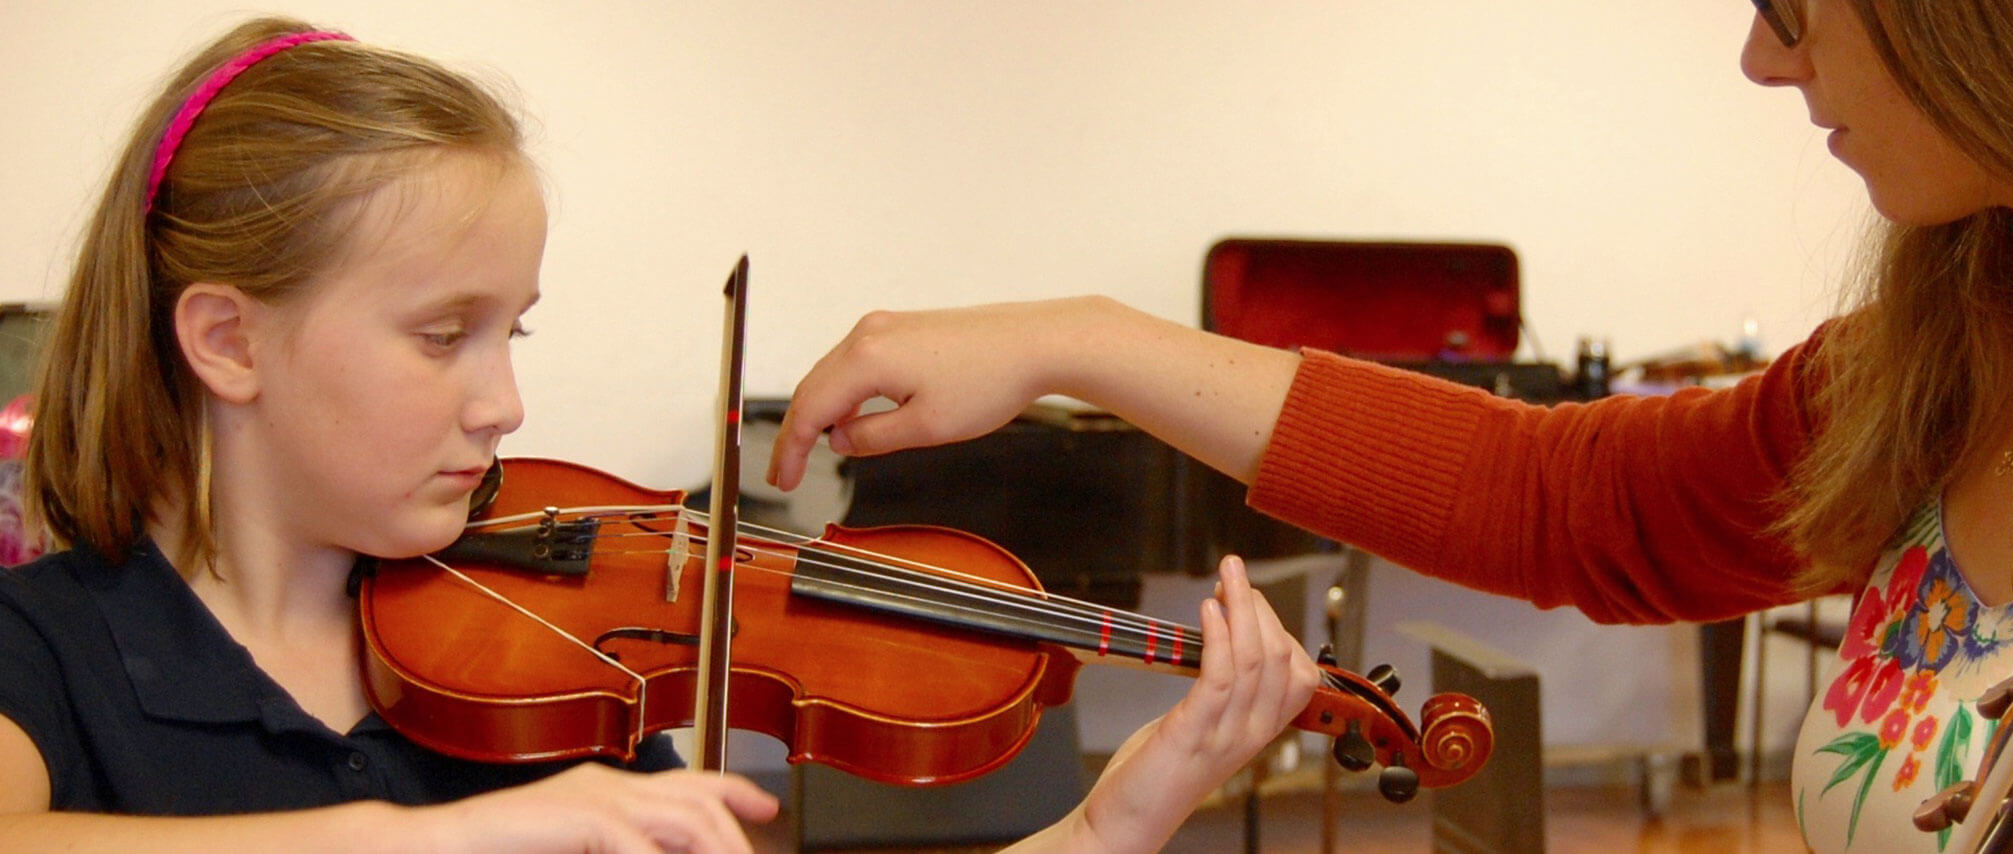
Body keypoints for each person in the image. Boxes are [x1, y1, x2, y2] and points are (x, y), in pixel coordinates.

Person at [766, 1, 2013, 851]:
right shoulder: (1961, 359)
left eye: (1796, 5)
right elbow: (1564, 498)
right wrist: (1083, 338)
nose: (1764, 65)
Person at [0, 17, 1318, 854]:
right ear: (228, 341)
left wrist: (1113, 816)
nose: (502, 404)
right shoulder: (48, 649)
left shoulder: (551, 657)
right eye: (440, 331)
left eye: (509, 333)